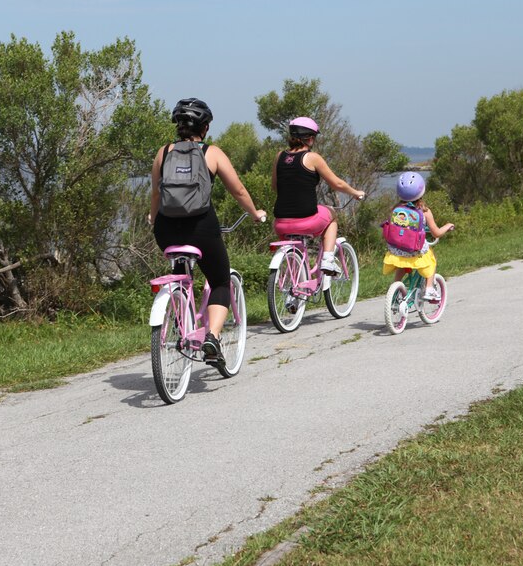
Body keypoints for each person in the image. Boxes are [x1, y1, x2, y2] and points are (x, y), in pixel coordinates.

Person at [148, 98, 266, 366]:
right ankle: (212, 336)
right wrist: (254, 213)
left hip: (166, 230)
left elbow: (156, 194)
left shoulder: (162, 152)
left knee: (181, 267)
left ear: (178, 125)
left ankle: (181, 318)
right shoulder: (211, 152)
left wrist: (153, 218)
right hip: (201, 228)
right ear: (206, 127)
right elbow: (238, 190)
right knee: (220, 280)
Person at [271, 117, 365, 275]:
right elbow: (337, 184)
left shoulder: (279, 156)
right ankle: (328, 259)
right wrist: (355, 193)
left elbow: (275, 186)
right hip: (306, 221)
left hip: (280, 224)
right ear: (310, 138)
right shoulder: (312, 157)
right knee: (332, 215)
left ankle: (296, 284)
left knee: (297, 253)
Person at [381, 171, 454, 302]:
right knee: (431, 258)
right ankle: (430, 288)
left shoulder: (395, 209)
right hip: (415, 251)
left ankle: (395, 287)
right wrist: (447, 226)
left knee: (403, 264)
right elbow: (436, 233)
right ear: (421, 191)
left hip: (395, 250)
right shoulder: (424, 211)